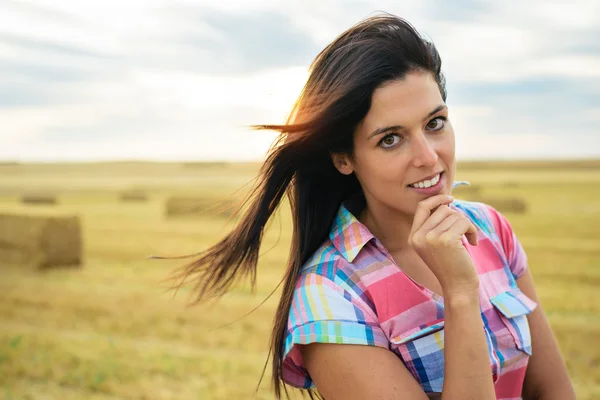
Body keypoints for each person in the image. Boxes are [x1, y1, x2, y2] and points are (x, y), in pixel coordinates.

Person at [170, 13, 575, 400]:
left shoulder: (490, 227)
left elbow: (552, 390)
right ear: (343, 158)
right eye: (390, 139)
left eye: (435, 123)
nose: (429, 158)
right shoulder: (330, 297)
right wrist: (461, 294)